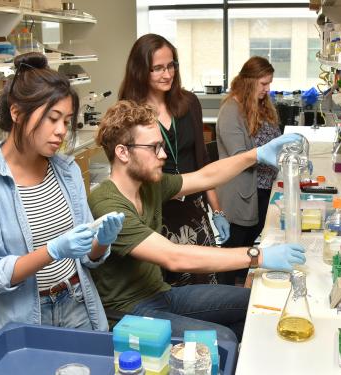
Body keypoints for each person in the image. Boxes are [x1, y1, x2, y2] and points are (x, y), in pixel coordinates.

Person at [88, 100, 306, 344]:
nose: (163, 154)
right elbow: (175, 257)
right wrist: (259, 256)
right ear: (123, 152)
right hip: (128, 312)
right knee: (223, 339)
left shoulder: (148, 185)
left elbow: (205, 176)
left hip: (161, 294)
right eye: (154, 147)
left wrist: (256, 155)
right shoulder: (107, 204)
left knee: (254, 303)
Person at [0, 53, 124, 349]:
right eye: (52, 118)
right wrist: (53, 250)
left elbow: (86, 257)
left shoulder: (67, 171)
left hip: (76, 303)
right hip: (20, 320)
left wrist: (101, 243)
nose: (61, 130)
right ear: (17, 113)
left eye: (66, 120)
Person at [118, 33, 230, 286]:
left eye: (171, 66)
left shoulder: (188, 103)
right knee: (167, 292)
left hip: (193, 210)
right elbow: (127, 172)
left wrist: (217, 210)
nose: (167, 74)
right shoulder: (129, 111)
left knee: (206, 286)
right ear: (139, 71)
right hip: (155, 211)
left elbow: (202, 161)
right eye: (157, 68)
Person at [216, 56, 282, 285]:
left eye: (269, 83)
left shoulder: (260, 105)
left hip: (262, 189)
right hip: (241, 193)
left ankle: (239, 293)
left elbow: (273, 140)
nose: (267, 89)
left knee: (247, 249)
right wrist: (271, 155)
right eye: (263, 84)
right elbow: (238, 156)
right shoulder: (231, 111)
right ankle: (224, 299)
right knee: (233, 253)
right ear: (248, 81)